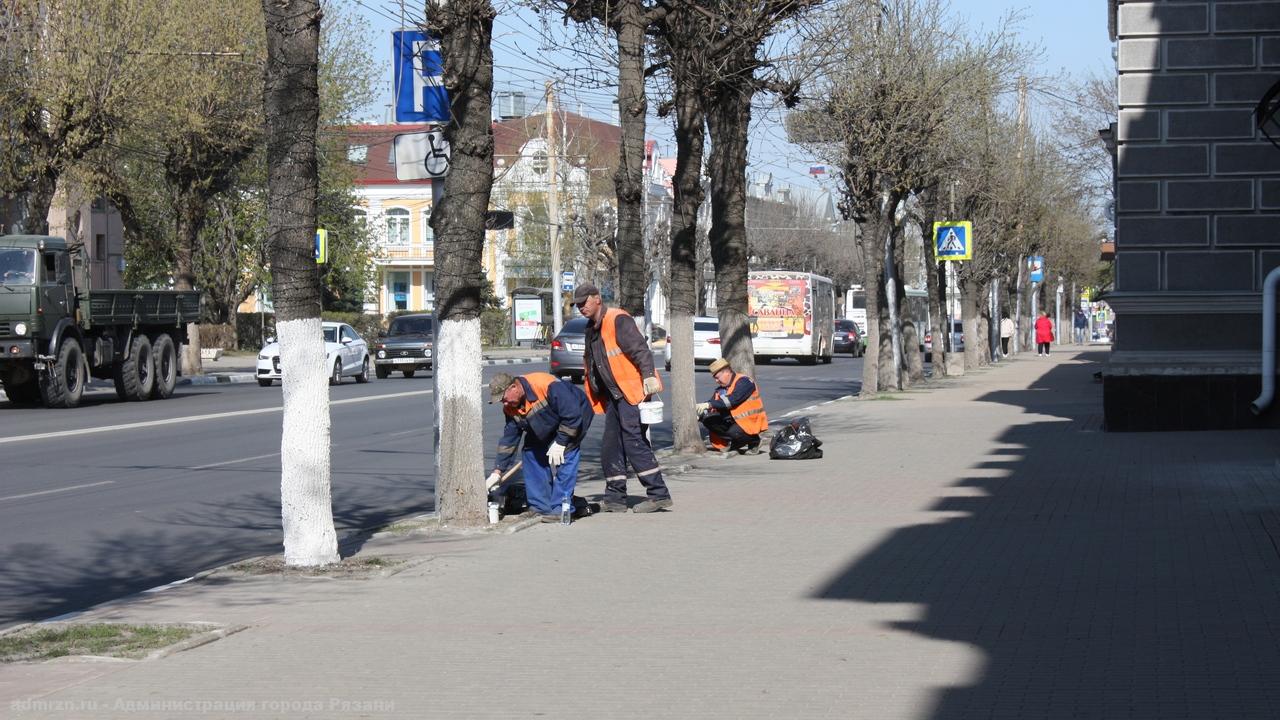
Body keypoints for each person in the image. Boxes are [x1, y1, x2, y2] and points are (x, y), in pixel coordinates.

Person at [575, 282, 673, 514]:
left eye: (584, 302)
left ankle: (659, 495)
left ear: (597, 298)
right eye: (577, 305)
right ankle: (615, 497)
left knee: (633, 441)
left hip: (633, 393)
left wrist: (649, 376)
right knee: (611, 445)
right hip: (613, 396)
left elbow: (640, 350)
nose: (581, 308)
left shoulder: (618, 320)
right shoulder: (591, 328)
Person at [485, 371, 593, 523]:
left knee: (566, 456)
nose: (505, 403)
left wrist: (561, 442)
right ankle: (539, 506)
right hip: (546, 421)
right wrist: (497, 471)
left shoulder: (547, 386)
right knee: (531, 452)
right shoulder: (510, 406)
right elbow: (509, 440)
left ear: (514, 387)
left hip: (575, 416)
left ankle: (560, 509)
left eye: (504, 398)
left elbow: (572, 415)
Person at [697, 358, 767, 454]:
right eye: (715, 378)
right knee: (707, 418)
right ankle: (735, 443)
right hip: (733, 421)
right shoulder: (722, 389)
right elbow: (714, 402)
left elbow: (733, 400)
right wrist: (701, 411)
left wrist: (709, 404)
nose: (717, 381)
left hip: (750, 421)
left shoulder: (744, 382)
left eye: (718, 377)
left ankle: (754, 441)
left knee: (734, 433)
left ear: (726, 372)